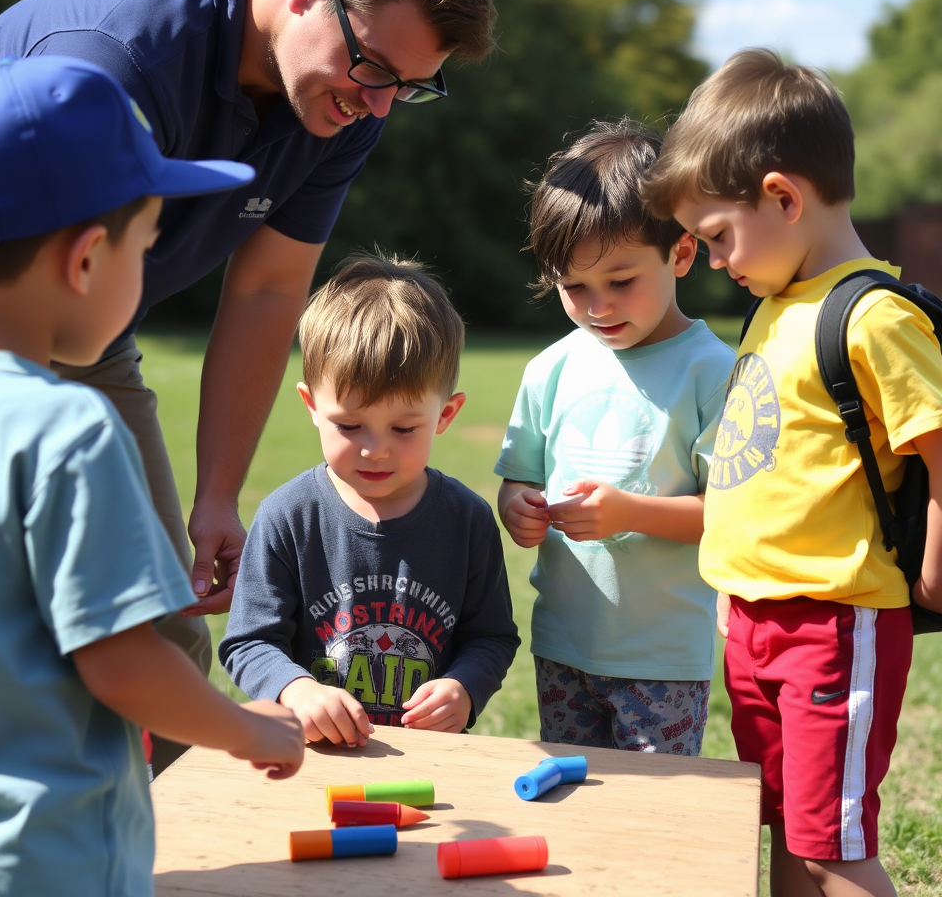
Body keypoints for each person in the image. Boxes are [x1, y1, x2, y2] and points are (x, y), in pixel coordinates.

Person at [0, 0, 495, 771]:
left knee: (164, 627)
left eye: (411, 89)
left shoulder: (338, 91)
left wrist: (217, 492)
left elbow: (269, 288)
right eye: (376, 71)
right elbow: (6, 291)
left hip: (89, 323)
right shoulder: (115, 62)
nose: (379, 105)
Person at [0, 55, 305, 896]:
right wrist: (246, 730)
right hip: (43, 863)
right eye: (147, 243)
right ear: (88, 258)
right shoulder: (64, 426)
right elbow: (126, 663)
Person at [640, 48, 942, 897]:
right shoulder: (777, 305)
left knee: (833, 846)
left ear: (783, 195)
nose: (720, 260)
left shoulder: (871, 314)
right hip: (755, 623)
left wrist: (934, 564)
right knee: (784, 834)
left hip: (833, 628)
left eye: (719, 237)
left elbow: (938, 440)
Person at [495, 120, 735, 754]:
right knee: (576, 796)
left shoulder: (713, 373)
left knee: (652, 812)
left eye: (621, 282)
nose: (597, 305)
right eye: (574, 287)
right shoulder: (551, 367)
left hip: (662, 656)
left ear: (680, 254)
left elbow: (732, 519)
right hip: (564, 642)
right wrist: (515, 505)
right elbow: (520, 474)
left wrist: (628, 512)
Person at [220, 254, 520, 746]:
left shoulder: (466, 520)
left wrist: (464, 688)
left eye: (403, 428)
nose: (374, 449)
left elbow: (490, 637)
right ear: (311, 406)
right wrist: (295, 690)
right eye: (349, 425)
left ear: (446, 415)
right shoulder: (287, 516)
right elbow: (250, 641)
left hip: (432, 755)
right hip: (314, 754)